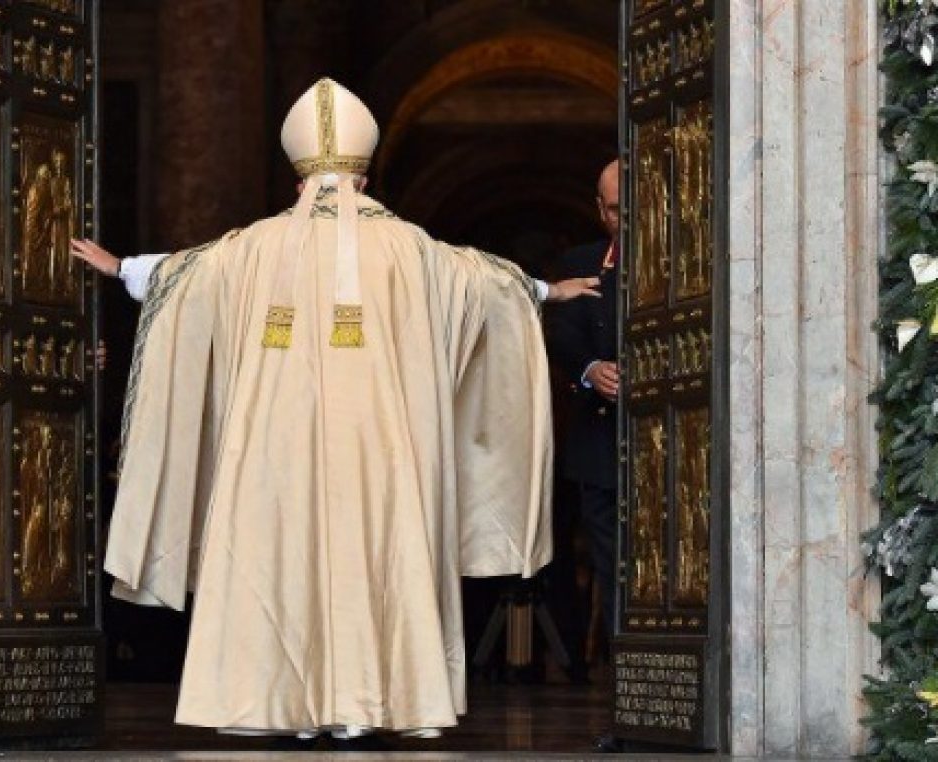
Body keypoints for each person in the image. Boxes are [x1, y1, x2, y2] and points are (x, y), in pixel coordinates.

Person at [71, 78, 598, 741]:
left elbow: (183, 277)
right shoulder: (412, 247)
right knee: (375, 553)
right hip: (382, 451)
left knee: (276, 553)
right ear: (368, 174)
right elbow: (487, 283)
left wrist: (122, 267)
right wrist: (546, 288)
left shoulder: (250, 245)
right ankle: (367, 705)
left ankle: (267, 703)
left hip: (273, 454)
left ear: (297, 181)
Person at [544, 160, 621, 667]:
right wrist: (592, 369)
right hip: (601, 447)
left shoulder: (690, 255)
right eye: (616, 209)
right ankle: (631, 691)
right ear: (599, 209)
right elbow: (559, 334)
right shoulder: (582, 262)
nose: (627, 218)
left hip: (683, 445)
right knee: (613, 568)